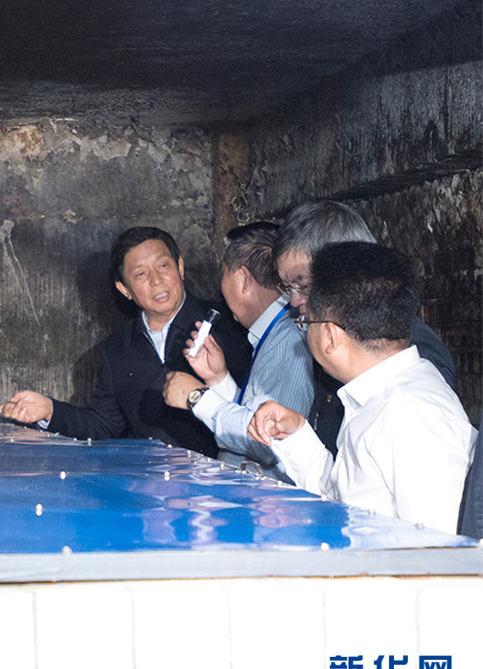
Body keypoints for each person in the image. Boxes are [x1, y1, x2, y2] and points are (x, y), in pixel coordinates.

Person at [247, 242, 476, 534]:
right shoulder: (375, 394)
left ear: (331, 337)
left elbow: (443, 550)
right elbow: (343, 500)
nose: (304, 331)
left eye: (306, 322)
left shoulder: (411, 415)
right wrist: (297, 433)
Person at [0, 226, 251, 457]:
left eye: (163, 266)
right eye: (141, 274)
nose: (156, 280)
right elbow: (102, 424)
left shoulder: (230, 325)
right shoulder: (117, 348)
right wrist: (50, 411)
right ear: (124, 289)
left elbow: (253, 410)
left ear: (180, 267)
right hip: (151, 483)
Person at [271, 200, 457, 455]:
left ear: (348, 270)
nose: (295, 301)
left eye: (303, 285)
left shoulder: (411, 352)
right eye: (288, 287)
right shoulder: (339, 339)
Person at [162, 222, 314, 475]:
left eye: (224, 274)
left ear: (244, 278)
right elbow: (254, 417)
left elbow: (271, 441)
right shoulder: (271, 335)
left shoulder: (290, 339)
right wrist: (218, 379)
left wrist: (198, 398)